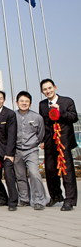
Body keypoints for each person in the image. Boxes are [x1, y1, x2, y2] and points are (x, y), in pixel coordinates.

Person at [39, 79, 79, 211]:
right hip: (50, 142)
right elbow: (44, 124)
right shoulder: (42, 104)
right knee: (50, 170)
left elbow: (74, 117)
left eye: (50, 88)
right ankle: (56, 196)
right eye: (45, 89)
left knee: (67, 171)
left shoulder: (67, 101)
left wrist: (60, 112)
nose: (48, 91)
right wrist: (43, 140)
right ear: (42, 91)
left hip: (64, 142)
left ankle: (70, 200)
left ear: (55, 87)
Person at [14, 91, 47, 210]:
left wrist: (35, 143)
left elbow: (41, 133)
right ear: (17, 102)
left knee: (34, 173)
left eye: (26, 101)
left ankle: (39, 200)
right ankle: (24, 199)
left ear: (30, 103)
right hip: (17, 150)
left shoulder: (37, 117)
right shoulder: (12, 116)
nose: (24, 103)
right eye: (21, 101)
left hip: (31, 150)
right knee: (20, 176)